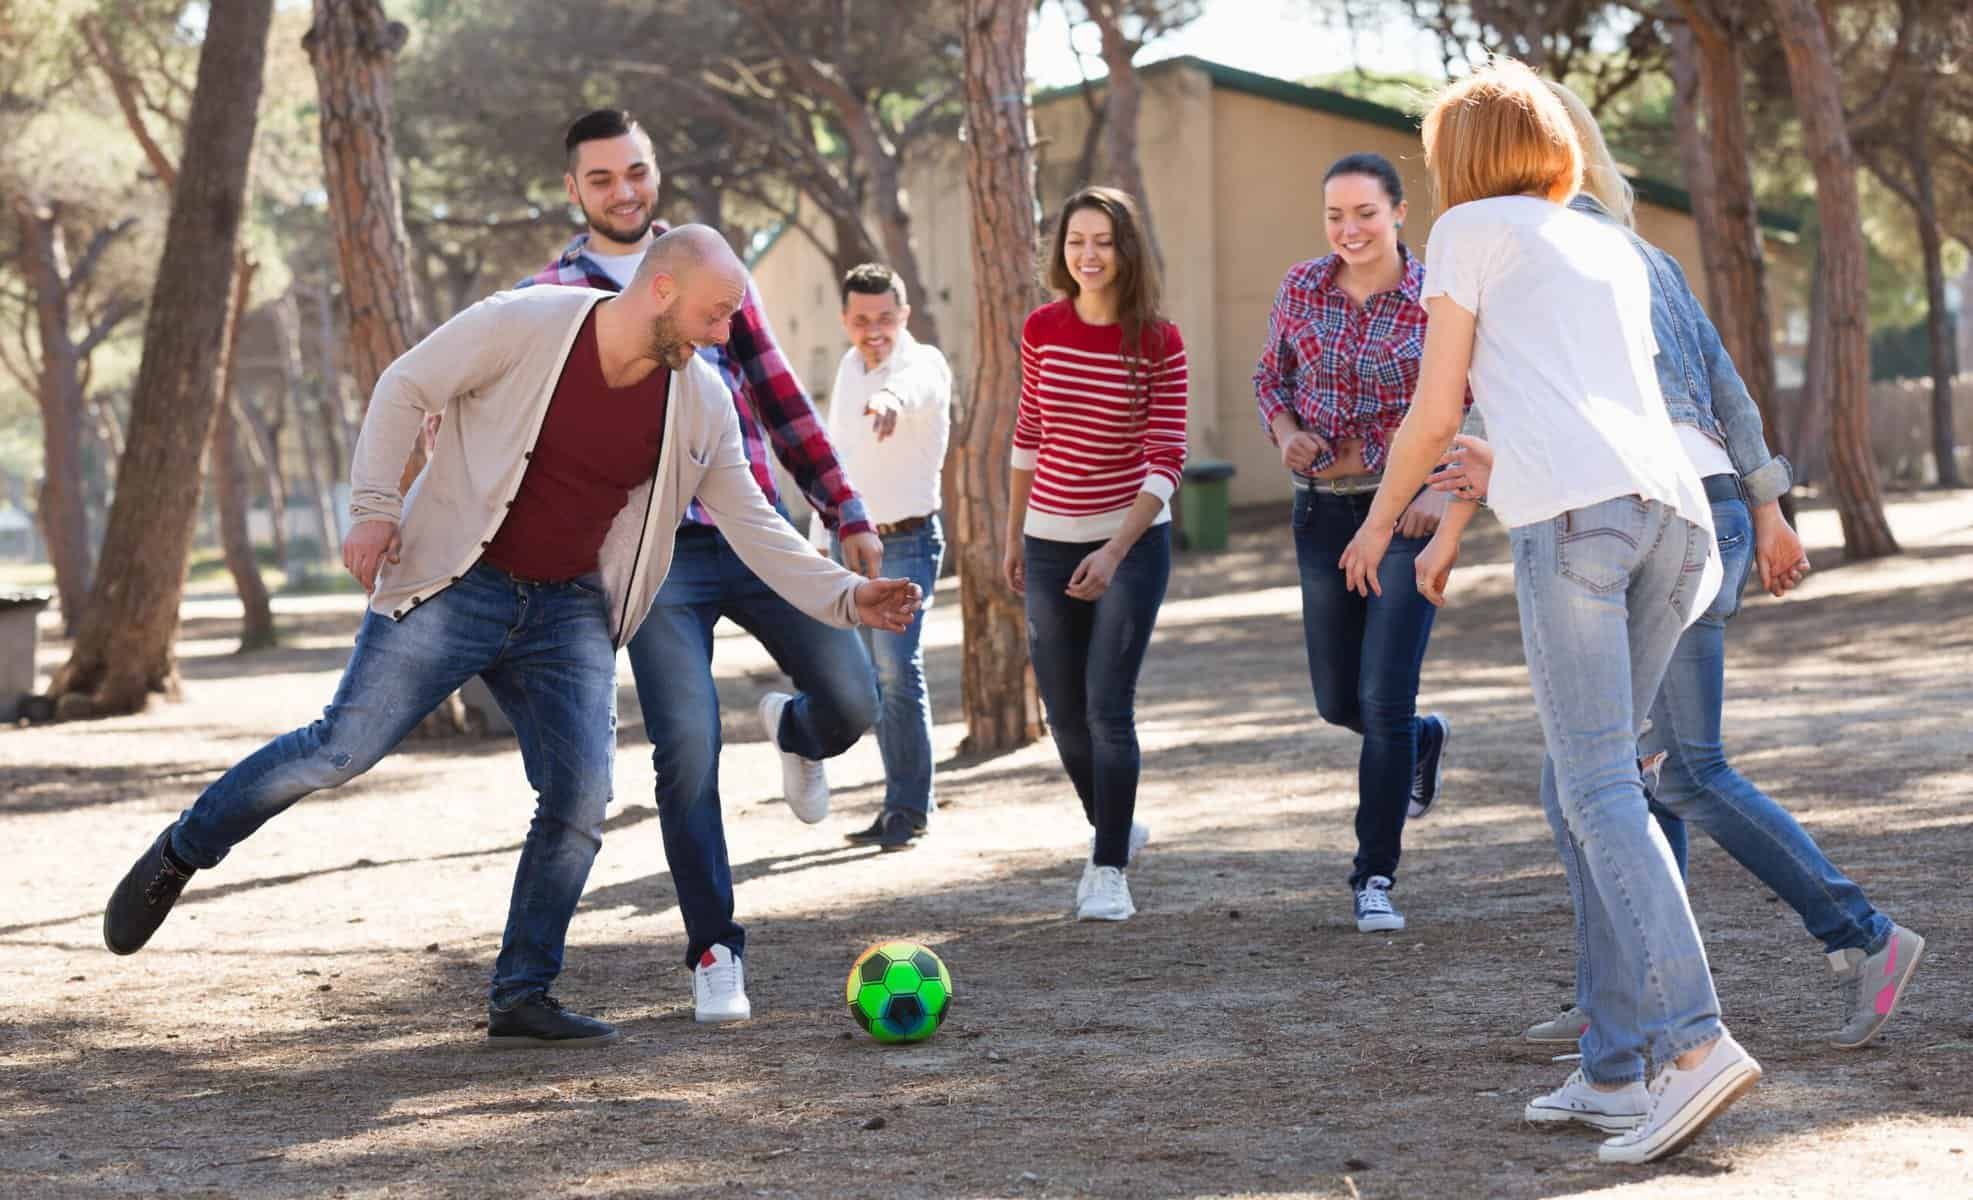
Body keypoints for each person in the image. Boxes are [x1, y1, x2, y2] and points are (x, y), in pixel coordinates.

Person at [101, 226, 923, 1049]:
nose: (722, 336)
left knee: (578, 799)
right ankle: (184, 850)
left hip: (566, 612)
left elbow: (756, 524)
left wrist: (851, 597)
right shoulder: (528, 324)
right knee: (341, 749)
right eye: (714, 316)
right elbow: (404, 385)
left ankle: (520, 992)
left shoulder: (700, 397)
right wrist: (374, 508)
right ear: (663, 290)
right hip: (458, 582)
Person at [1425, 80, 1923, 1056]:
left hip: (1662, 512)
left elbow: (1691, 390)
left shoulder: (1546, 250)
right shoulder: (1608, 248)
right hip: (1690, 512)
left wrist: (1767, 505)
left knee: (1671, 771)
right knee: (1618, 772)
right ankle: (1617, 1002)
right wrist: (1765, 506)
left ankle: (1853, 940)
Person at [1338, 60, 1758, 1165]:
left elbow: (1432, 413)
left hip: (1579, 530)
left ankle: (1693, 1044)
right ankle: (1615, 1063)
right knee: (1579, 783)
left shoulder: (1472, 229)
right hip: (1674, 522)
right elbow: (1559, 406)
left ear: (1458, 162)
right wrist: (1471, 494)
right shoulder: (1603, 240)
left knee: (1596, 787)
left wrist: (1382, 524)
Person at [522, 110, 884, 1022]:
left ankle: (794, 732)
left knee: (855, 702)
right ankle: (715, 948)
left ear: (655, 173)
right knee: (687, 747)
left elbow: (778, 394)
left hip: (752, 528)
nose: (623, 190)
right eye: (601, 178)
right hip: (652, 564)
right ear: (574, 190)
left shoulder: (713, 267)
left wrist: (843, 508)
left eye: (635, 171)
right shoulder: (551, 297)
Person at [1253, 151, 1456, 935]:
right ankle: (1420, 739)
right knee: (1338, 701)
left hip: (1402, 515)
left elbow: (1472, 396)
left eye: (1364, 213)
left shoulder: (1436, 296)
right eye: (1335, 215)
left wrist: (1438, 493)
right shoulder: (1301, 286)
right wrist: (1286, 434)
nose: (1349, 229)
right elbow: (1269, 378)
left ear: (1399, 212)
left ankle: (1372, 876)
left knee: (1381, 698)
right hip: (1321, 515)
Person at [1004, 186, 1187, 924]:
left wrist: (1114, 550)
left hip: (1131, 541)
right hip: (1048, 537)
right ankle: (1116, 823)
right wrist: (1017, 534)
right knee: (1064, 711)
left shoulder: (1158, 340)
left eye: (1103, 241)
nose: (1088, 254)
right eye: (1076, 240)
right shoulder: (1042, 327)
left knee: (1109, 707)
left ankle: (1107, 867)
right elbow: (1028, 433)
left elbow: (1166, 460)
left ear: (1126, 250)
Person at [817, 263, 952, 851]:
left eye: (885, 319)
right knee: (868, 681)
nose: (874, 331)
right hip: (849, 542)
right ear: (846, 320)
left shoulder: (923, 364)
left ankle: (907, 810)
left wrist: (890, 399)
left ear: (905, 316)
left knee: (899, 673)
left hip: (907, 541)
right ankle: (901, 800)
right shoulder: (848, 369)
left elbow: (911, 388)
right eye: (862, 320)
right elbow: (835, 455)